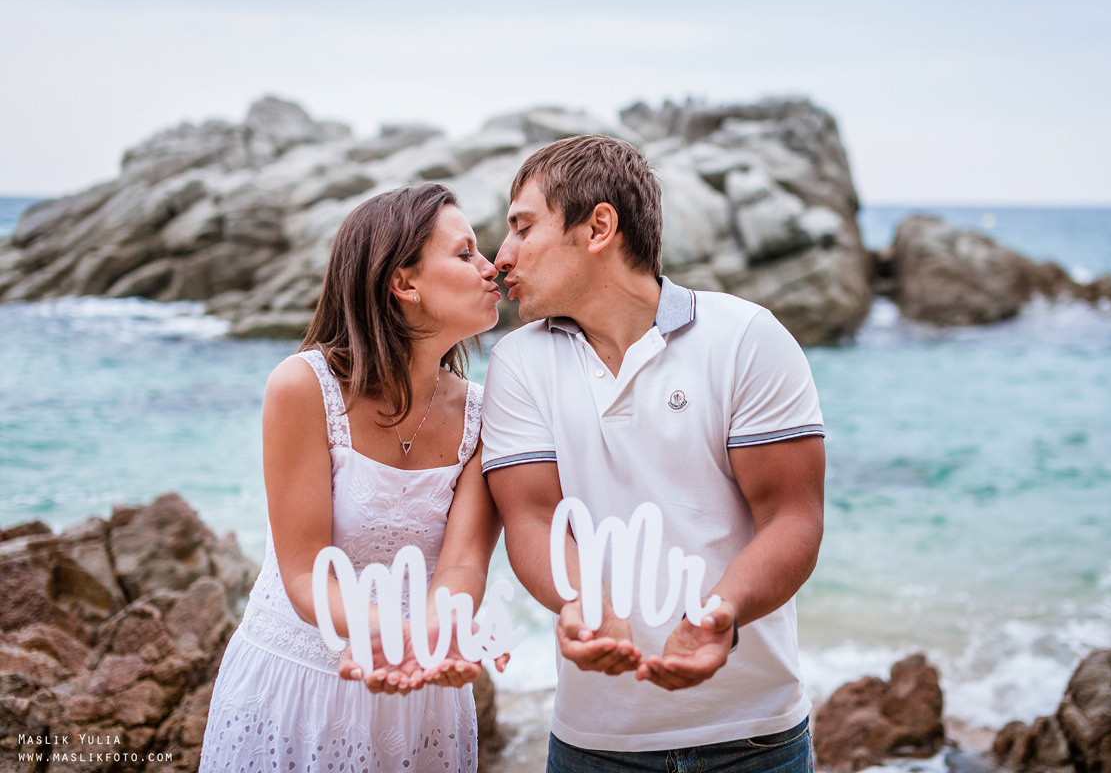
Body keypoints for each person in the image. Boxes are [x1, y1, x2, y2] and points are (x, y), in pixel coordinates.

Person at [481, 135, 826, 772]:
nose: (500, 258)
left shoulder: (747, 338)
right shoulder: (517, 363)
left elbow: (793, 520)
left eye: (522, 228)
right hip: (595, 743)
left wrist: (721, 611)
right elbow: (530, 519)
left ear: (598, 227)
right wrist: (586, 605)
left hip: (756, 737)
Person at [200, 183, 505, 772]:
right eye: (465, 253)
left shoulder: (485, 414)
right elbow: (304, 568)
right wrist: (388, 634)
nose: (491, 267)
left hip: (422, 691)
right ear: (405, 283)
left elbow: (464, 564)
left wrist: (427, 639)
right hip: (299, 684)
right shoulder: (303, 387)